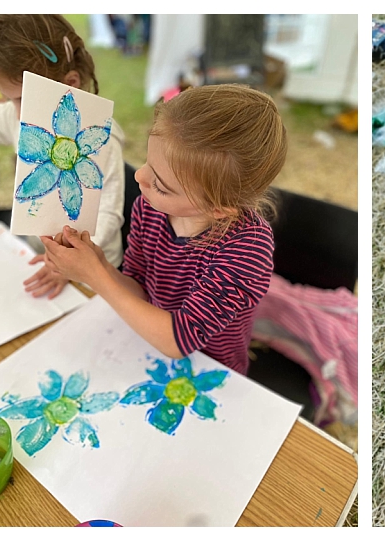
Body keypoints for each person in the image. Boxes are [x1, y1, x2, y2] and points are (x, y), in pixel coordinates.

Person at [36, 84, 282, 375]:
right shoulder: (150, 207)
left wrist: (94, 277)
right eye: (148, 163)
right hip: (144, 347)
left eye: (162, 185)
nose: (139, 177)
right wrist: (97, 262)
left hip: (212, 372)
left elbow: (179, 339)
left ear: (218, 208)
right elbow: (139, 287)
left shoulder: (248, 249)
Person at [0, 14, 128, 294]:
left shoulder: (102, 139)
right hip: (41, 259)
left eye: (22, 99)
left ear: (70, 85)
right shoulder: (14, 117)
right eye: (8, 99)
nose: (17, 112)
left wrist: (67, 262)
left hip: (95, 276)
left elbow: (107, 217)